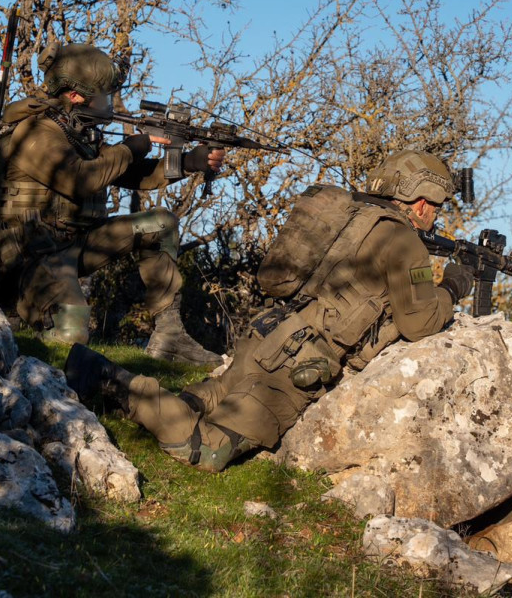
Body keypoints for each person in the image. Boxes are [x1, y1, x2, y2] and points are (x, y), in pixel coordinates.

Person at [65, 150, 475, 471]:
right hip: (296, 362)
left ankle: (125, 389)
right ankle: (109, 379)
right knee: (207, 450)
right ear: (420, 202)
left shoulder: (354, 215)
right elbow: (420, 322)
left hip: (268, 335)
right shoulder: (404, 241)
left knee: (208, 397)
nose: (434, 216)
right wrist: (453, 287)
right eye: (435, 207)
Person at [0, 42, 223, 365]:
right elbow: (80, 180)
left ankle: (170, 339)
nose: (108, 102)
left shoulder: (79, 132)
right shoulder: (35, 133)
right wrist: (134, 146)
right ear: (75, 95)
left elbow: (130, 175)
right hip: (30, 257)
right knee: (73, 334)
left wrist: (189, 162)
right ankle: (41, 370)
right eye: (102, 94)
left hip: (71, 245)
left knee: (160, 224)